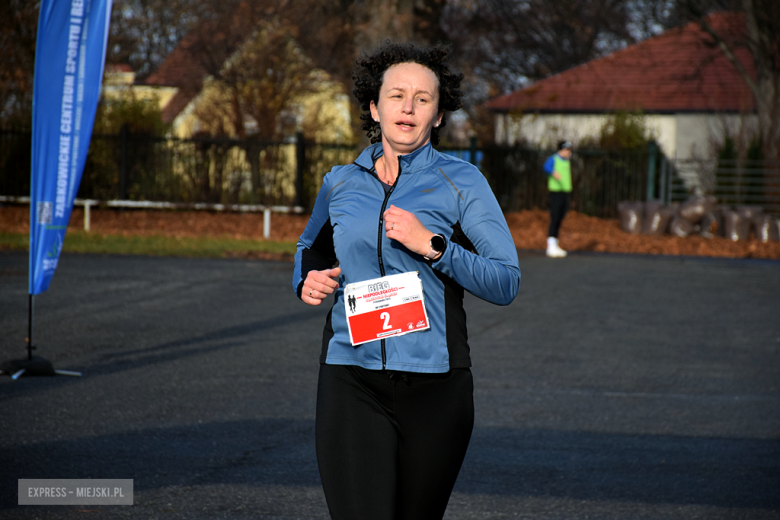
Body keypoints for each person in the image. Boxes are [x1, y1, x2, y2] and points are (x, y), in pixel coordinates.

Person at [292, 42, 520, 520]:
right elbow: (308, 247)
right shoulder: (340, 181)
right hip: (350, 377)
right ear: (375, 107)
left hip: (435, 387)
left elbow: (505, 281)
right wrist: (306, 280)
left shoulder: (464, 182)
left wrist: (432, 246)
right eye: (397, 95)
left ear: (438, 115)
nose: (409, 107)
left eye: (423, 98)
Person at [543, 140, 573, 258]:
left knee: (561, 217)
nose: (569, 152)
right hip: (556, 192)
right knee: (554, 217)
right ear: (562, 149)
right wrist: (553, 172)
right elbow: (546, 166)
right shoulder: (554, 159)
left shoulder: (566, 161)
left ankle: (555, 244)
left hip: (564, 192)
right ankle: (550, 246)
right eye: (567, 150)